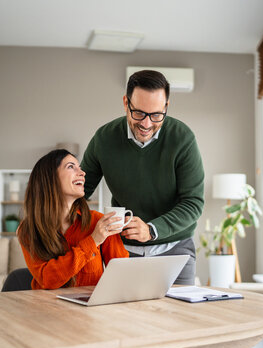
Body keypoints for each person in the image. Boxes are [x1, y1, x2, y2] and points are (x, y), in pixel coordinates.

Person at [81, 70, 204, 285]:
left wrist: (152, 230)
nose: (146, 124)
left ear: (166, 107)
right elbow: (79, 192)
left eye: (156, 115)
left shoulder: (183, 138)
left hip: (175, 249)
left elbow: (193, 203)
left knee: (181, 318)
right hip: (123, 250)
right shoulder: (104, 139)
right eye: (138, 113)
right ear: (125, 102)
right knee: (124, 318)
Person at [17, 149, 129, 290]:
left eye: (80, 168)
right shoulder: (28, 230)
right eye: (71, 167)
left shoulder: (98, 222)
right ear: (50, 178)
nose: (82, 173)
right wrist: (93, 241)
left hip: (89, 310)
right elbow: (47, 279)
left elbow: (123, 275)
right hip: (46, 309)